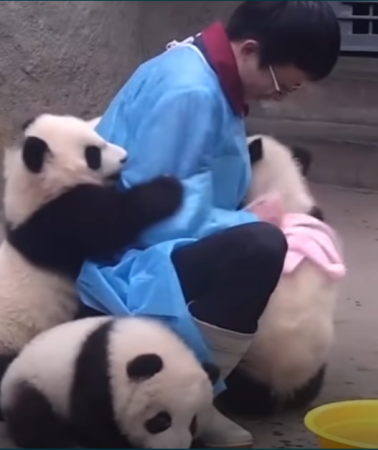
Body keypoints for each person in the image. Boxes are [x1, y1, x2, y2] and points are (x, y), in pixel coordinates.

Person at [75, 2, 340, 448]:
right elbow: (159, 216)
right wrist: (246, 220)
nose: (279, 96)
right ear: (250, 49)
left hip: (128, 252)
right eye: (282, 86)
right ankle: (192, 401)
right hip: (121, 269)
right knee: (261, 246)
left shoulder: (200, 69)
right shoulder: (192, 93)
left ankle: (196, 384)